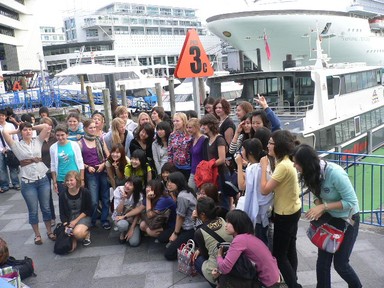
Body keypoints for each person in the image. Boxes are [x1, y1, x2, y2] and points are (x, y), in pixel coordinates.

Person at [292, 144, 361, 288]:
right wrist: (319, 207)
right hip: (331, 218)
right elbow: (318, 196)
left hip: (348, 219)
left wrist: (323, 207)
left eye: (297, 163)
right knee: (323, 262)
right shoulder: (311, 174)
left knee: (341, 264)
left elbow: (351, 202)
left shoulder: (335, 173)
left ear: (307, 164)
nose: (295, 166)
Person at [260, 130, 302, 288]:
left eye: (271, 143)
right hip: (292, 210)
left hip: (285, 214)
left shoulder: (283, 166)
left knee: (279, 254)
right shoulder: (285, 160)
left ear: (279, 146)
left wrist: (264, 167)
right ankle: (294, 278)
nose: (268, 146)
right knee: (290, 247)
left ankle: (294, 285)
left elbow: (264, 189)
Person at [2, 122, 55, 245]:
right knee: (33, 210)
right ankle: (37, 235)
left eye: (30, 130)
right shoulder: (16, 145)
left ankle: (49, 231)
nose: (28, 132)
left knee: (46, 208)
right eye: (25, 130)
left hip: (42, 178)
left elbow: (47, 126)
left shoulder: (37, 141)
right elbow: (5, 132)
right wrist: (18, 130)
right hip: (28, 181)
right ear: (21, 132)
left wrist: (31, 126)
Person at [215, 210, 281, 288]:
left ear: (237, 224)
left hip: (267, 284)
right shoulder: (249, 236)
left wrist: (219, 255)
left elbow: (225, 268)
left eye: (228, 222)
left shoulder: (239, 240)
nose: (225, 225)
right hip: (274, 278)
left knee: (224, 277)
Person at [236, 138, 273, 246]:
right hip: (264, 210)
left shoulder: (253, 168)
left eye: (243, 150)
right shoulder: (261, 165)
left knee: (260, 240)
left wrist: (238, 165)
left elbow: (241, 185)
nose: (241, 153)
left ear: (250, 152)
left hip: (257, 211)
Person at [193, 197, 233, 286]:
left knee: (197, 259)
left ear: (202, 214)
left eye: (196, 210)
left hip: (218, 270)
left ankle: (216, 283)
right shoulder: (222, 220)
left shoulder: (200, 232)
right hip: (232, 262)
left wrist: (194, 220)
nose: (195, 211)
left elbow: (206, 255)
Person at [78, 119, 111, 229]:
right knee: (93, 200)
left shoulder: (100, 139)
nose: (93, 130)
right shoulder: (80, 143)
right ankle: (93, 219)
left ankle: (104, 219)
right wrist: (87, 167)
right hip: (90, 173)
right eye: (90, 128)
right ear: (85, 129)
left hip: (102, 170)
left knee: (106, 197)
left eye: (94, 127)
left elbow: (108, 155)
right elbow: (78, 160)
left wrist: (103, 165)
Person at [200, 113, 232, 211]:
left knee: (223, 199)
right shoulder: (208, 139)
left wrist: (209, 165)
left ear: (211, 125)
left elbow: (222, 159)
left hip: (221, 174)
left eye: (205, 125)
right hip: (213, 173)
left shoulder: (219, 139)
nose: (203, 127)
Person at [164, 171, 197, 260]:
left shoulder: (182, 196)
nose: (169, 184)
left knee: (168, 254)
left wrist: (175, 233)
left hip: (190, 228)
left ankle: (191, 245)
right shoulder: (187, 191)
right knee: (162, 238)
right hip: (186, 225)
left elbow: (180, 217)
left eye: (172, 182)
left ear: (178, 183)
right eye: (168, 182)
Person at [59, 171, 92, 250]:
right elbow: (62, 213)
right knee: (68, 238)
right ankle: (74, 235)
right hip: (70, 218)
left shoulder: (85, 192)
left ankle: (87, 233)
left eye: (71, 180)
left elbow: (88, 210)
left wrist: (75, 221)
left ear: (77, 180)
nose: (69, 183)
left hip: (82, 217)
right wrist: (66, 224)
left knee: (77, 234)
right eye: (67, 180)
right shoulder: (63, 194)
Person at [50, 124, 84, 195]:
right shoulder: (53, 148)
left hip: (75, 178)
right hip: (61, 179)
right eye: (58, 135)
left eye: (62, 135)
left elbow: (80, 162)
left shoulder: (74, 145)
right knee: (64, 202)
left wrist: (82, 179)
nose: (60, 137)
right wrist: (54, 182)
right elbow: (53, 165)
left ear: (67, 135)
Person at [112, 177, 144, 246]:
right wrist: (123, 199)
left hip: (133, 219)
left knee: (134, 243)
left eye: (131, 185)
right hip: (121, 217)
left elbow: (138, 213)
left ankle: (133, 229)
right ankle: (122, 232)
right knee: (122, 225)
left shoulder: (139, 195)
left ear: (135, 188)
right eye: (127, 183)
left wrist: (132, 228)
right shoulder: (119, 190)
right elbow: (118, 212)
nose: (127, 186)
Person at [40, 117, 57, 226]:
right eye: (44, 125)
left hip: (56, 169)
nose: (47, 128)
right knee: (47, 195)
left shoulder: (56, 138)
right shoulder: (37, 140)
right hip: (43, 170)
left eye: (49, 125)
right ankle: (51, 217)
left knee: (61, 193)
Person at [167, 112, 192, 181]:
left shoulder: (190, 135)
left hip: (188, 166)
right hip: (175, 166)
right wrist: (170, 165)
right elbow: (169, 151)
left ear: (183, 121)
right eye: (174, 121)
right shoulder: (172, 135)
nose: (175, 123)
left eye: (177, 121)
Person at [0, 108, 20, 193]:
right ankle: (5, 185)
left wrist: (15, 147)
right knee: (1, 168)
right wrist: (1, 149)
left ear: (6, 116)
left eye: (3, 116)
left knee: (13, 166)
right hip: (1, 150)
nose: (1, 117)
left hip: (11, 148)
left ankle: (16, 183)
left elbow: (15, 137)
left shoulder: (10, 125)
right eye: (0, 116)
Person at [186, 117, 207, 192]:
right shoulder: (192, 139)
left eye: (190, 128)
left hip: (202, 171)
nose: (188, 130)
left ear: (197, 127)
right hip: (193, 170)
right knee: (190, 192)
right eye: (187, 128)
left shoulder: (204, 139)